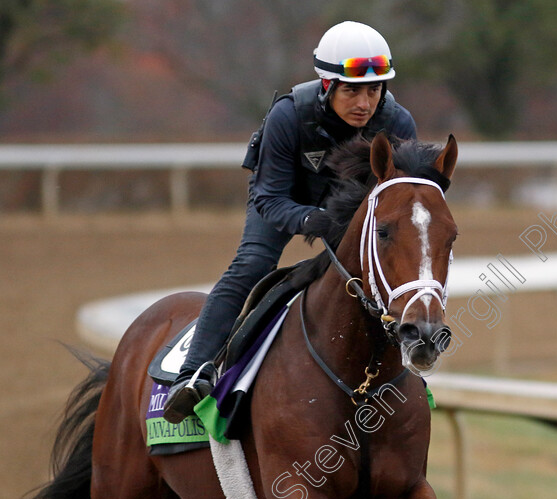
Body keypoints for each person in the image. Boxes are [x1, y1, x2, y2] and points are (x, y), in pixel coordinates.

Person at [163, 21, 417, 424]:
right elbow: (268, 197)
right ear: (326, 85)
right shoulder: (288, 116)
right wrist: (314, 220)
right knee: (251, 265)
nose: (365, 103)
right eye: (351, 90)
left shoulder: (398, 124)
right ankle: (192, 374)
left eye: (374, 90)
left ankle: (410, 358)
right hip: (284, 198)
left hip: (351, 206)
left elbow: (400, 201)